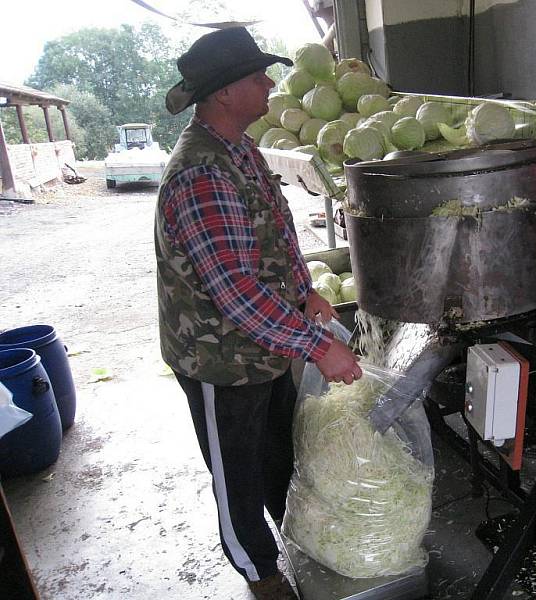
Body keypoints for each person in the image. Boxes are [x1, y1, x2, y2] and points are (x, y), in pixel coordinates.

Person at [155, 27, 362, 600]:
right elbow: (235, 290)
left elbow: (275, 231)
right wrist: (321, 345)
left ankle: (290, 533)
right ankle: (259, 573)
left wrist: (304, 293)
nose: (267, 83)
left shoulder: (239, 148)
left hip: (267, 342)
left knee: (279, 449)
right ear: (223, 94)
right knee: (238, 473)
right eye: (255, 77)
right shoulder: (203, 172)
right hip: (220, 355)